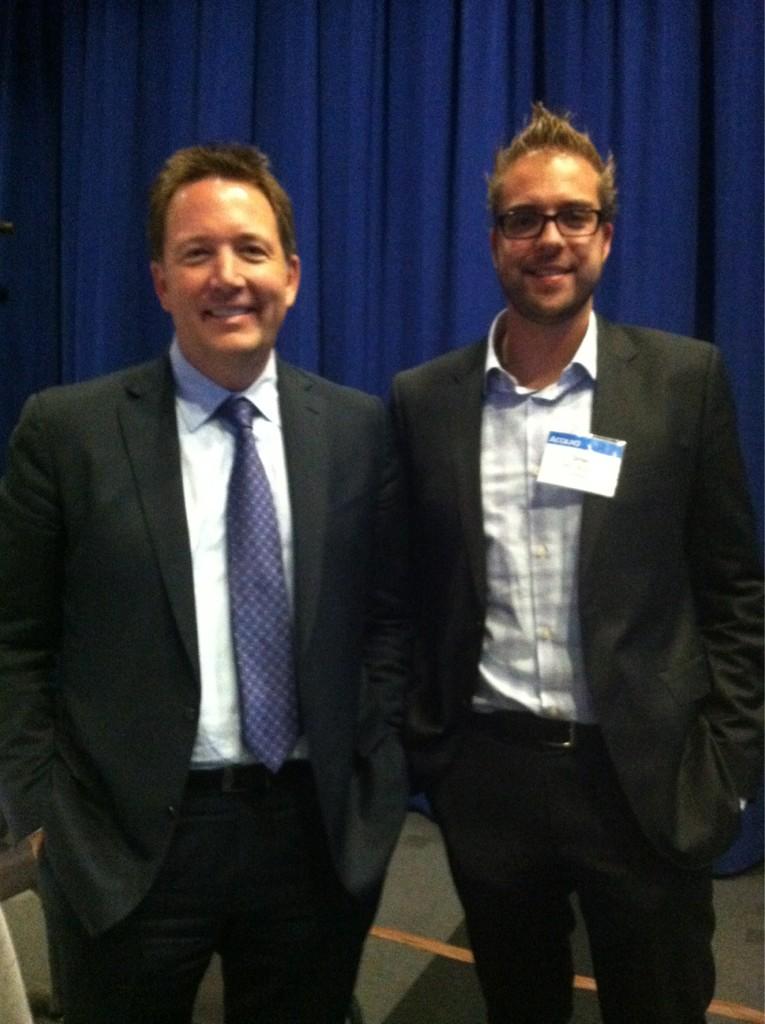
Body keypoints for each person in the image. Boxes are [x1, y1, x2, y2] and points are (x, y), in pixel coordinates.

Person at [0, 143, 410, 1024]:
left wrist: (374, 777)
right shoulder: (66, 433)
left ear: (290, 274)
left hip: (313, 838)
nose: (227, 276)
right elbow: (14, 641)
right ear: (161, 281)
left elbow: (388, 621)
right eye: (196, 253)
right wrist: (42, 816)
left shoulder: (357, 430)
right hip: (125, 845)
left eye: (250, 250)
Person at [391, 103, 763, 1024]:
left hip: (642, 777)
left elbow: (733, 592)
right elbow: (405, 594)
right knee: (517, 1005)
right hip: (488, 777)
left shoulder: (682, 383)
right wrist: (431, 753)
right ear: (494, 240)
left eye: (572, 215)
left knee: (659, 1005)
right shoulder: (424, 401)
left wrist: (723, 766)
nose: (548, 238)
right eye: (523, 219)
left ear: (605, 233)